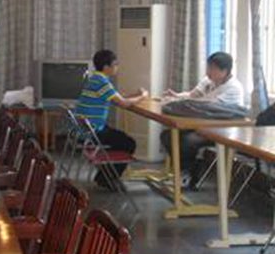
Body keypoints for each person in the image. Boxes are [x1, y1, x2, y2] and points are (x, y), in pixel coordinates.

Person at [160, 51, 245, 189]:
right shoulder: (208, 81)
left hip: (223, 131)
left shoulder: (233, 88)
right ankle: (185, 171)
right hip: (201, 125)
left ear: (225, 71)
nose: (208, 72)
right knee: (167, 136)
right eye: (208, 67)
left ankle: (190, 175)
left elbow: (206, 105)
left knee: (188, 141)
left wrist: (180, 103)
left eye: (212, 68)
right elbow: (193, 95)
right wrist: (177, 96)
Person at [75, 49, 148, 188]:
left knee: (118, 140)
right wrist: (143, 96)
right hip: (93, 132)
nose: (117, 67)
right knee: (128, 143)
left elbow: (116, 97)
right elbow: (123, 104)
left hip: (87, 129)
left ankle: (105, 176)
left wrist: (135, 95)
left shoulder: (95, 79)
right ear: (106, 67)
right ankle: (107, 178)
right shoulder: (102, 82)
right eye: (115, 64)